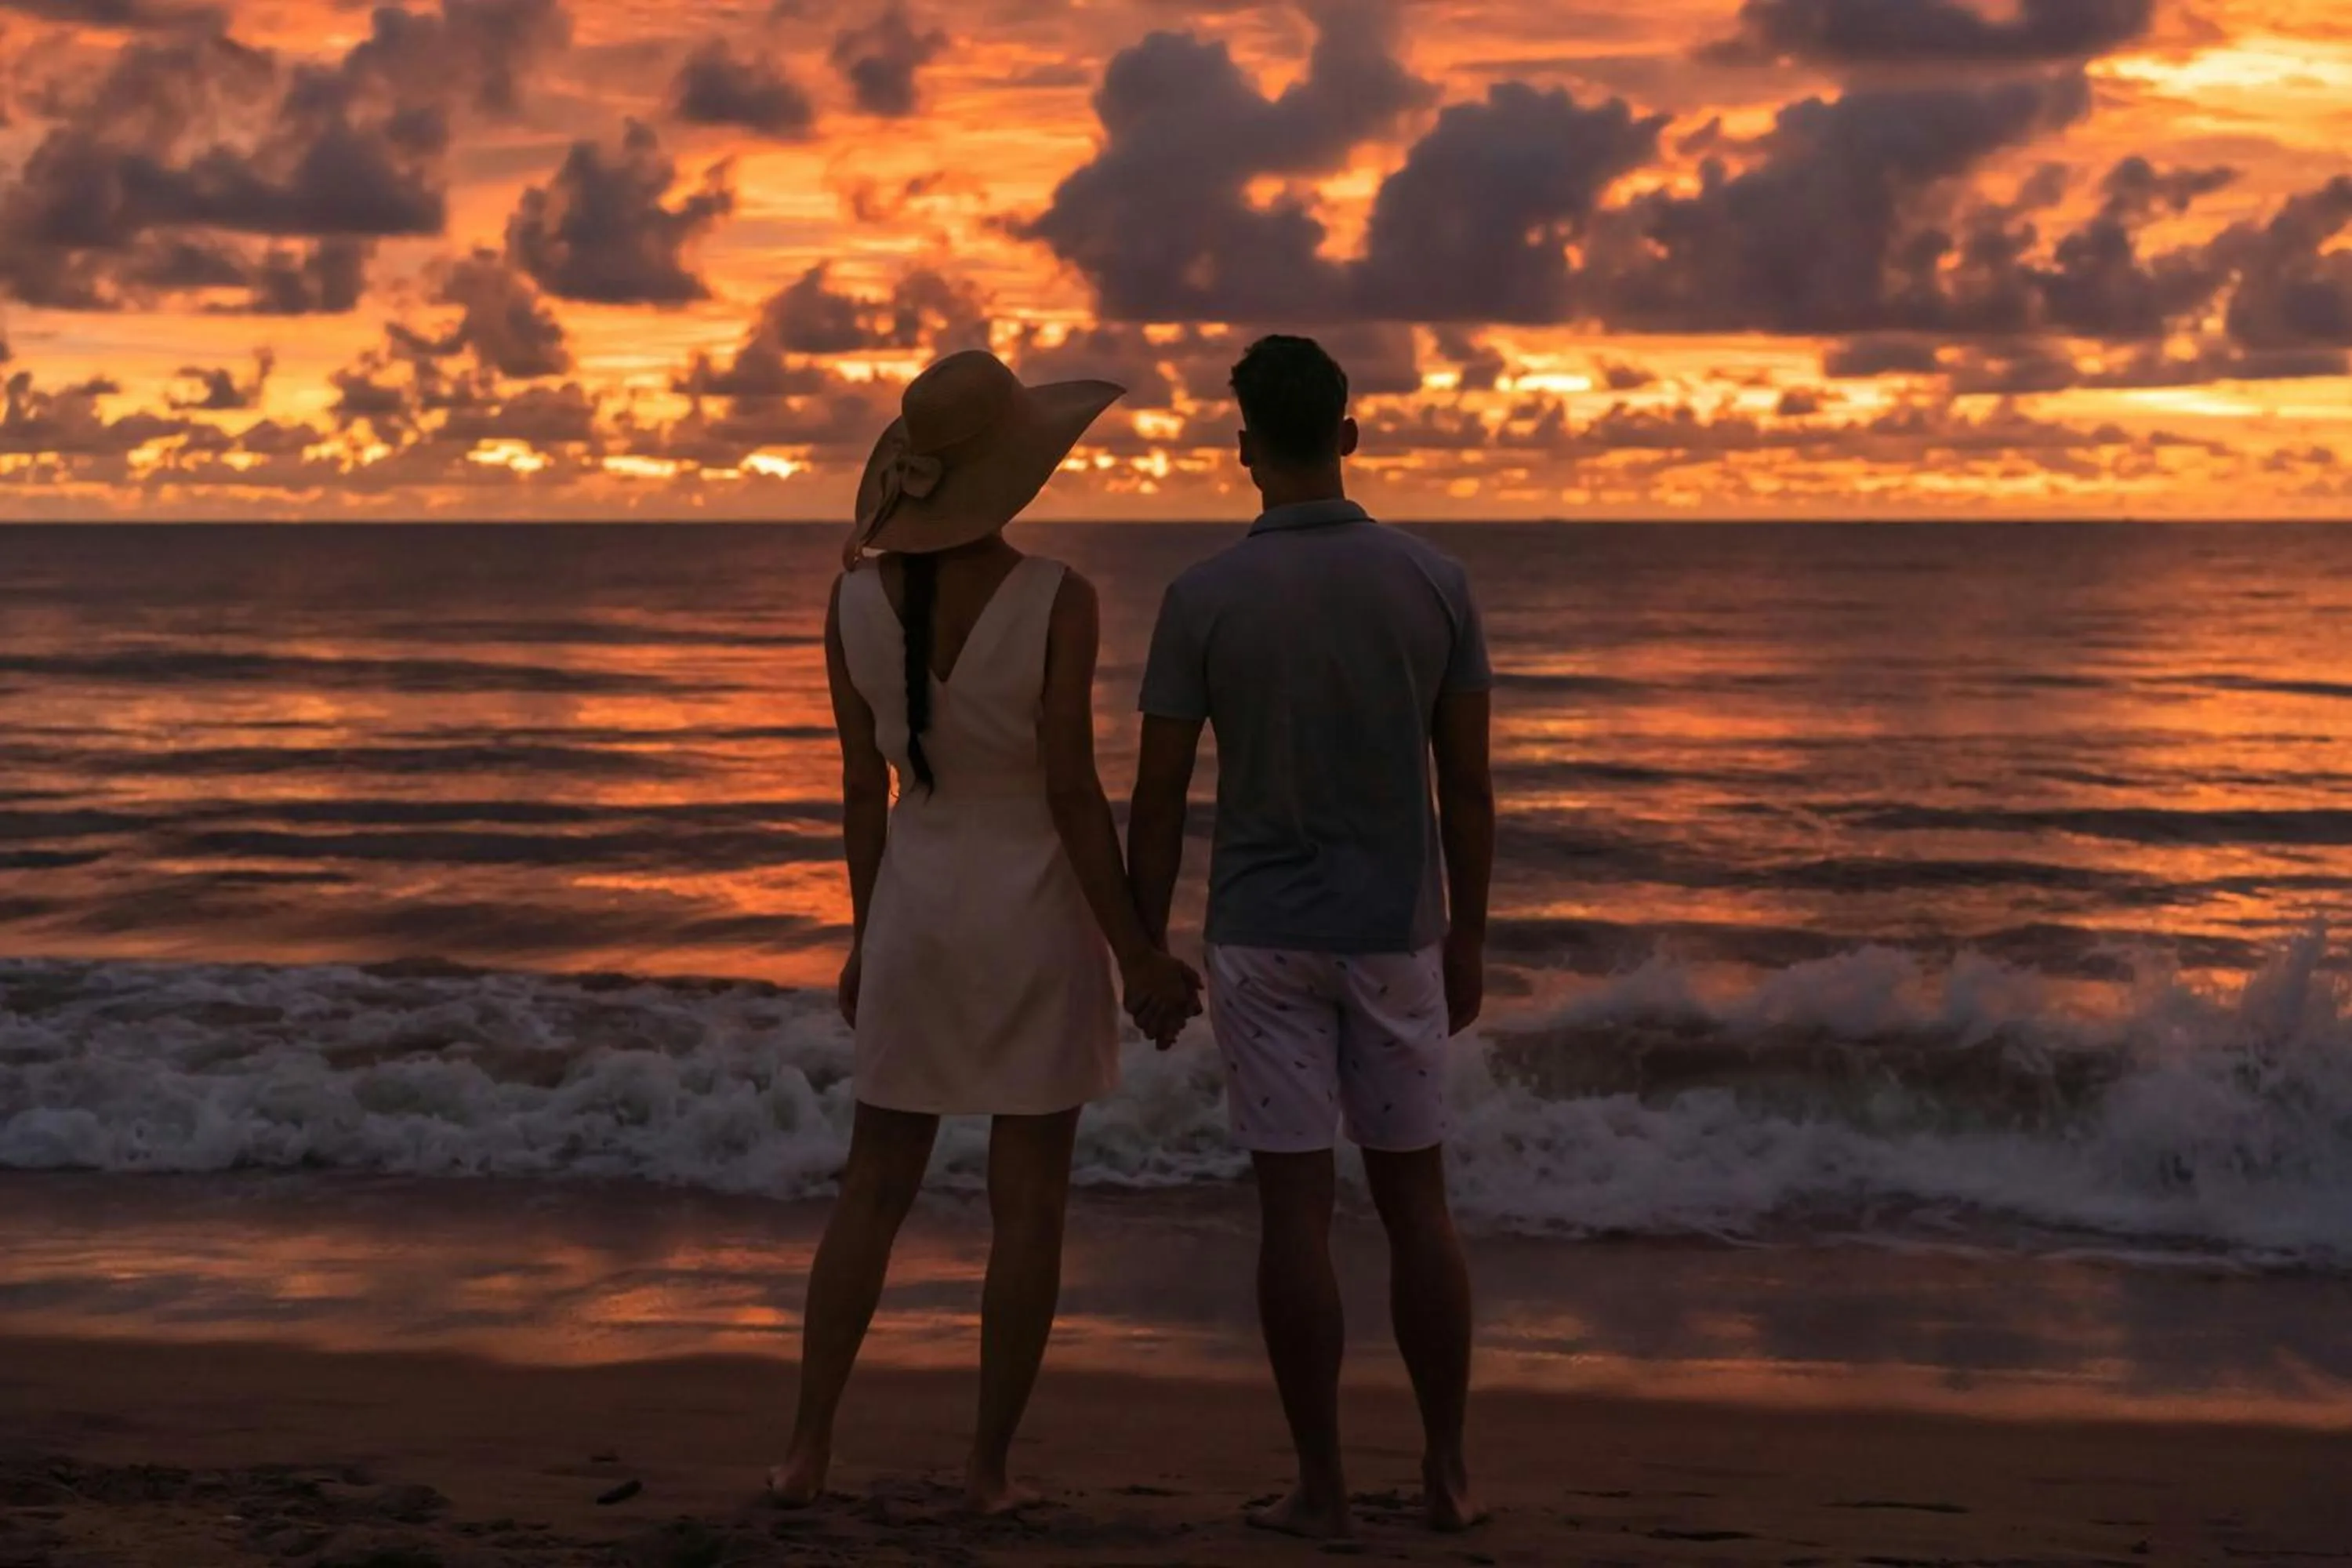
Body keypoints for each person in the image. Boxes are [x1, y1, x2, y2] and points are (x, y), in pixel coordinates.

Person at [773, 349, 1202, 1515]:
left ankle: (808, 1448)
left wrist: (869, 935)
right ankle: (985, 1470)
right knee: (1030, 1205)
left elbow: (866, 794)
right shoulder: (1060, 598)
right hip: (1030, 916)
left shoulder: (850, 599)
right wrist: (1138, 953)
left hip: (918, 908)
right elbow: (1071, 789)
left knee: (873, 1191)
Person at [1126, 335, 1496, 1541]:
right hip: (1395, 936)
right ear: (1349, 435)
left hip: (1262, 938)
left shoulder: (1202, 599)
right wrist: (1470, 939)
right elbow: (1469, 788)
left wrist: (1145, 949)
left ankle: (1325, 1487)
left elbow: (1160, 796)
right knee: (1417, 1207)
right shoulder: (1435, 580)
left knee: (1294, 1215)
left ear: (1244, 454)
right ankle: (1445, 1475)